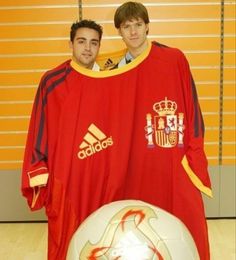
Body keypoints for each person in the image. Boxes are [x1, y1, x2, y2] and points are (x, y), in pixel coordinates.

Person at [112, 2, 212, 260]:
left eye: (137, 24)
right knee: (137, 230)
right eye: (126, 26)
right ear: (119, 32)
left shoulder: (173, 58)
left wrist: (193, 153)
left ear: (147, 26)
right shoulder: (113, 72)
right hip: (133, 162)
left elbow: (193, 108)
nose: (133, 32)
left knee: (184, 226)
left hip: (171, 158)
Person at [21, 19, 103, 260]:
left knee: (103, 241)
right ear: (70, 44)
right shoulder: (51, 81)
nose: (87, 48)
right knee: (63, 245)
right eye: (81, 41)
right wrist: (40, 175)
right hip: (65, 181)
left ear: (99, 47)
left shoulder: (112, 82)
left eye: (93, 42)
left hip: (102, 180)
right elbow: (39, 131)